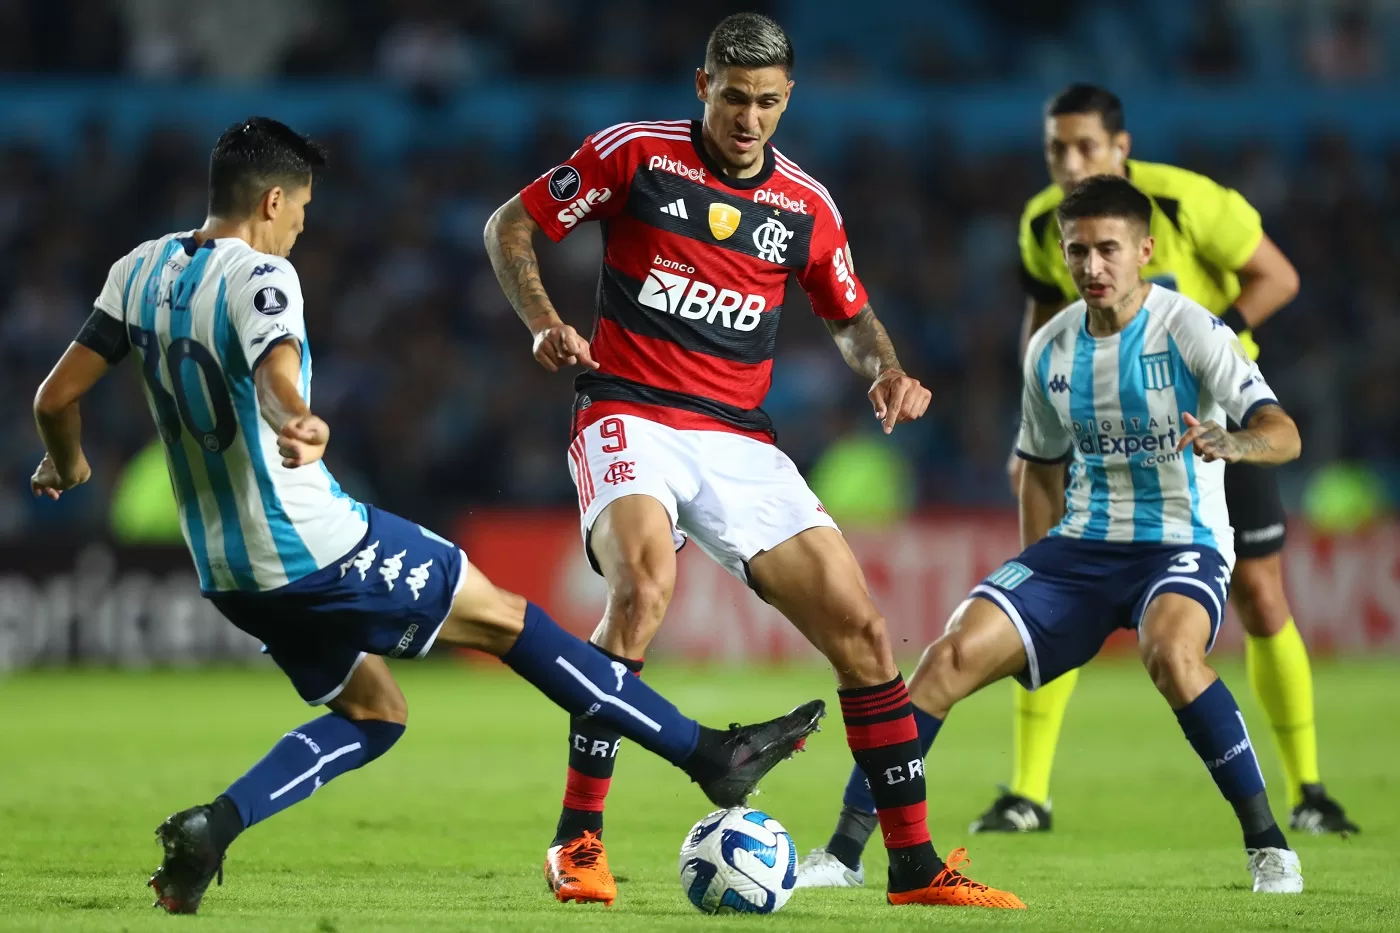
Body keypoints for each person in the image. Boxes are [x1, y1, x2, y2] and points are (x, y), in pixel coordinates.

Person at [29, 116, 825, 916]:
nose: (302, 228)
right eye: (301, 211)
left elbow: (54, 398)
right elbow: (274, 373)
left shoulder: (136, 270)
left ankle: (214, 825)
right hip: (314, 543)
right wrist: (296, 417)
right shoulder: (261, 278)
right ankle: (707, 755)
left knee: (377, 712)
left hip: (227, 573)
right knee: (515, 624)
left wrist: (68, 461)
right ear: (273, 200)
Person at [484, 12, 1023, 912]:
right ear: (703, 87)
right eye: (733, 98)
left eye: (767, 102)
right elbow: (511, 226)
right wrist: (543, 320)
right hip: (629, 409)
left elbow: (848, 316)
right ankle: (577, 840)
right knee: (643, 588)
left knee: (859, 631)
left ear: (787, 100)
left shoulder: (805, 206)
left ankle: (916, 865)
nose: (749, 118)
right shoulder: (634, 156)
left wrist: (885, 372)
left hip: (740, 437)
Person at [803, 175, 1307, 894]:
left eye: (1108, 249)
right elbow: (1039, 469)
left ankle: (1269, 845)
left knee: (1170, 652)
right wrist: (1033, 580)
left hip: (1180, 542)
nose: (1092, 267)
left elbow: (1283, 431)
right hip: (1076, 550)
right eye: (1078, 251)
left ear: (1144, 250)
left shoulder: (1192, 327)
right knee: (944, 659)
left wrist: (1237, 444)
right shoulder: (1050, 348)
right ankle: (844, 850)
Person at [970, 84, 1355, 839]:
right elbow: (1042, 321)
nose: (1070, 162)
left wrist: (1206, 341)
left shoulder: (1190, 203)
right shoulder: (1042, 226)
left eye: (1085, 146)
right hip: (1106, 424)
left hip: (1210, 419)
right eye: (1056, 149)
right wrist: (1034, 437)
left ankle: (1309, 789)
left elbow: (1278, 277)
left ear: (1123, 147)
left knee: (1260, 593)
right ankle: (1027, 793)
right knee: (1059, 585)